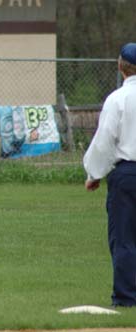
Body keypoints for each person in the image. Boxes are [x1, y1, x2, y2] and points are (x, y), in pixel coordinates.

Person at [84, 42, 136, 307]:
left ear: (120, 66)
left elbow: (105, 140)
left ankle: (127, 297)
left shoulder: (117, 99)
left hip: (127, 173)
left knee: (124, 237)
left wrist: (94, 173)